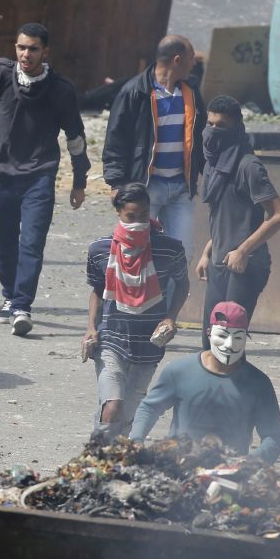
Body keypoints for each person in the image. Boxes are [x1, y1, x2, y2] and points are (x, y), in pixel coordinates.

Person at [0, 23, 89, 335]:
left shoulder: (61, 90)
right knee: (3, 241)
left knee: (32, 242)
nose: (26, 54)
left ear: (45, 52)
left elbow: (76, 137)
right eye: (21, 47)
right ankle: (10, 295)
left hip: (40, 176)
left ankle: (22, 304)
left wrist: (80, 180)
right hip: (3, 175)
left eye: (33, 48)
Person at [83, 183, 189, 440]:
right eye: (131, 217)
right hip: (111, 337)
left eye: (144, 215)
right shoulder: (100, 250)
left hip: (149, 342)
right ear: (118, 213)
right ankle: (97, 458)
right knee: (113, 405)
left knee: (127, 416)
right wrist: (90, 329)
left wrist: (170, 317)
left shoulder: (169, 249)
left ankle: (108, 462)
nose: (138, 222)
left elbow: (183, 284)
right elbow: (97, 290)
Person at [129, 301, 280, 463]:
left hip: (229, 474)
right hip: (178, 467)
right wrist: (136, 441)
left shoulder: (258, 383)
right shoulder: (179, 371)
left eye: (237, 337)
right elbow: (150, 407)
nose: (229, 344)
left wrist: (248, 463)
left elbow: (274, 438)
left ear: (246, 337)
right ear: (209, 333)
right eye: (222, 336)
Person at [193, 94, 280, 345]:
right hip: (219, 262)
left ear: (236, 127)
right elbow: (227, 217)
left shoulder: (248, 166)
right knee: (209, 341)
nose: (213, 131)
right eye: (210, 124)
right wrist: (207, 251)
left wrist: (243, 250)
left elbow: (279, 215)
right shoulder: (214, 163)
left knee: (228, 344)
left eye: (221, 126)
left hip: (245, 266)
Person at [102, 35, 204, 254]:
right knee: (135, 252)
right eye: (192, 57)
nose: (195, 62)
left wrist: (207, 175)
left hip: (181, 188)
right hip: (146, 188)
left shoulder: (191, 93)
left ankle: (168, 290)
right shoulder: (135, 92)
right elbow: (116, 140)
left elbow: (202, 137)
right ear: (178, 60)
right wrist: (116, 182)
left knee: (181, 253)